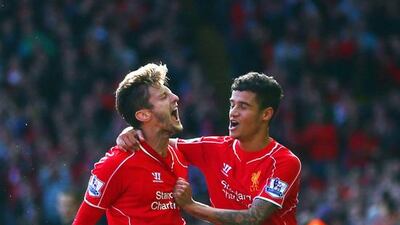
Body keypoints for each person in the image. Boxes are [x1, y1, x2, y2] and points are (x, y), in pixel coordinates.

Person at [118, 72, 301, 225]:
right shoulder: (214, 148)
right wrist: (135, 130)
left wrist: (191, 206)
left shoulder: (284, 162)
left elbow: (253, 218)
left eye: (243, 106)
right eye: (232, 104)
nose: (233, 112)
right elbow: (158, 141)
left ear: (266, 114)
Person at [73, 63, 188, 225]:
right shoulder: (116, 164)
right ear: (143, 114)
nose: (176, 97)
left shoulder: (181, 153)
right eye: (163, 96)